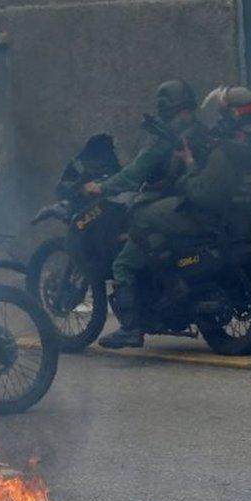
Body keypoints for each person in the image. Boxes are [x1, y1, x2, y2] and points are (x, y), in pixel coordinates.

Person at [99, 86, 251, 349]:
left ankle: (132, 325)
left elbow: (200, 193)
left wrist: (189, 163)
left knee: (141, 217)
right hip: (242, 216)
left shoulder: (226, 152)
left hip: (210, 217)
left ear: (232, 117)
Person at [93, 80, 210, 349]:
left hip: (175, 210)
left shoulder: (166, 142)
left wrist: (102, 186)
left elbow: (134, 173)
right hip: (199, 209)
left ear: (166, 109)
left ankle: (130, 328)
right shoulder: (202, 133)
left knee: (124, 261)